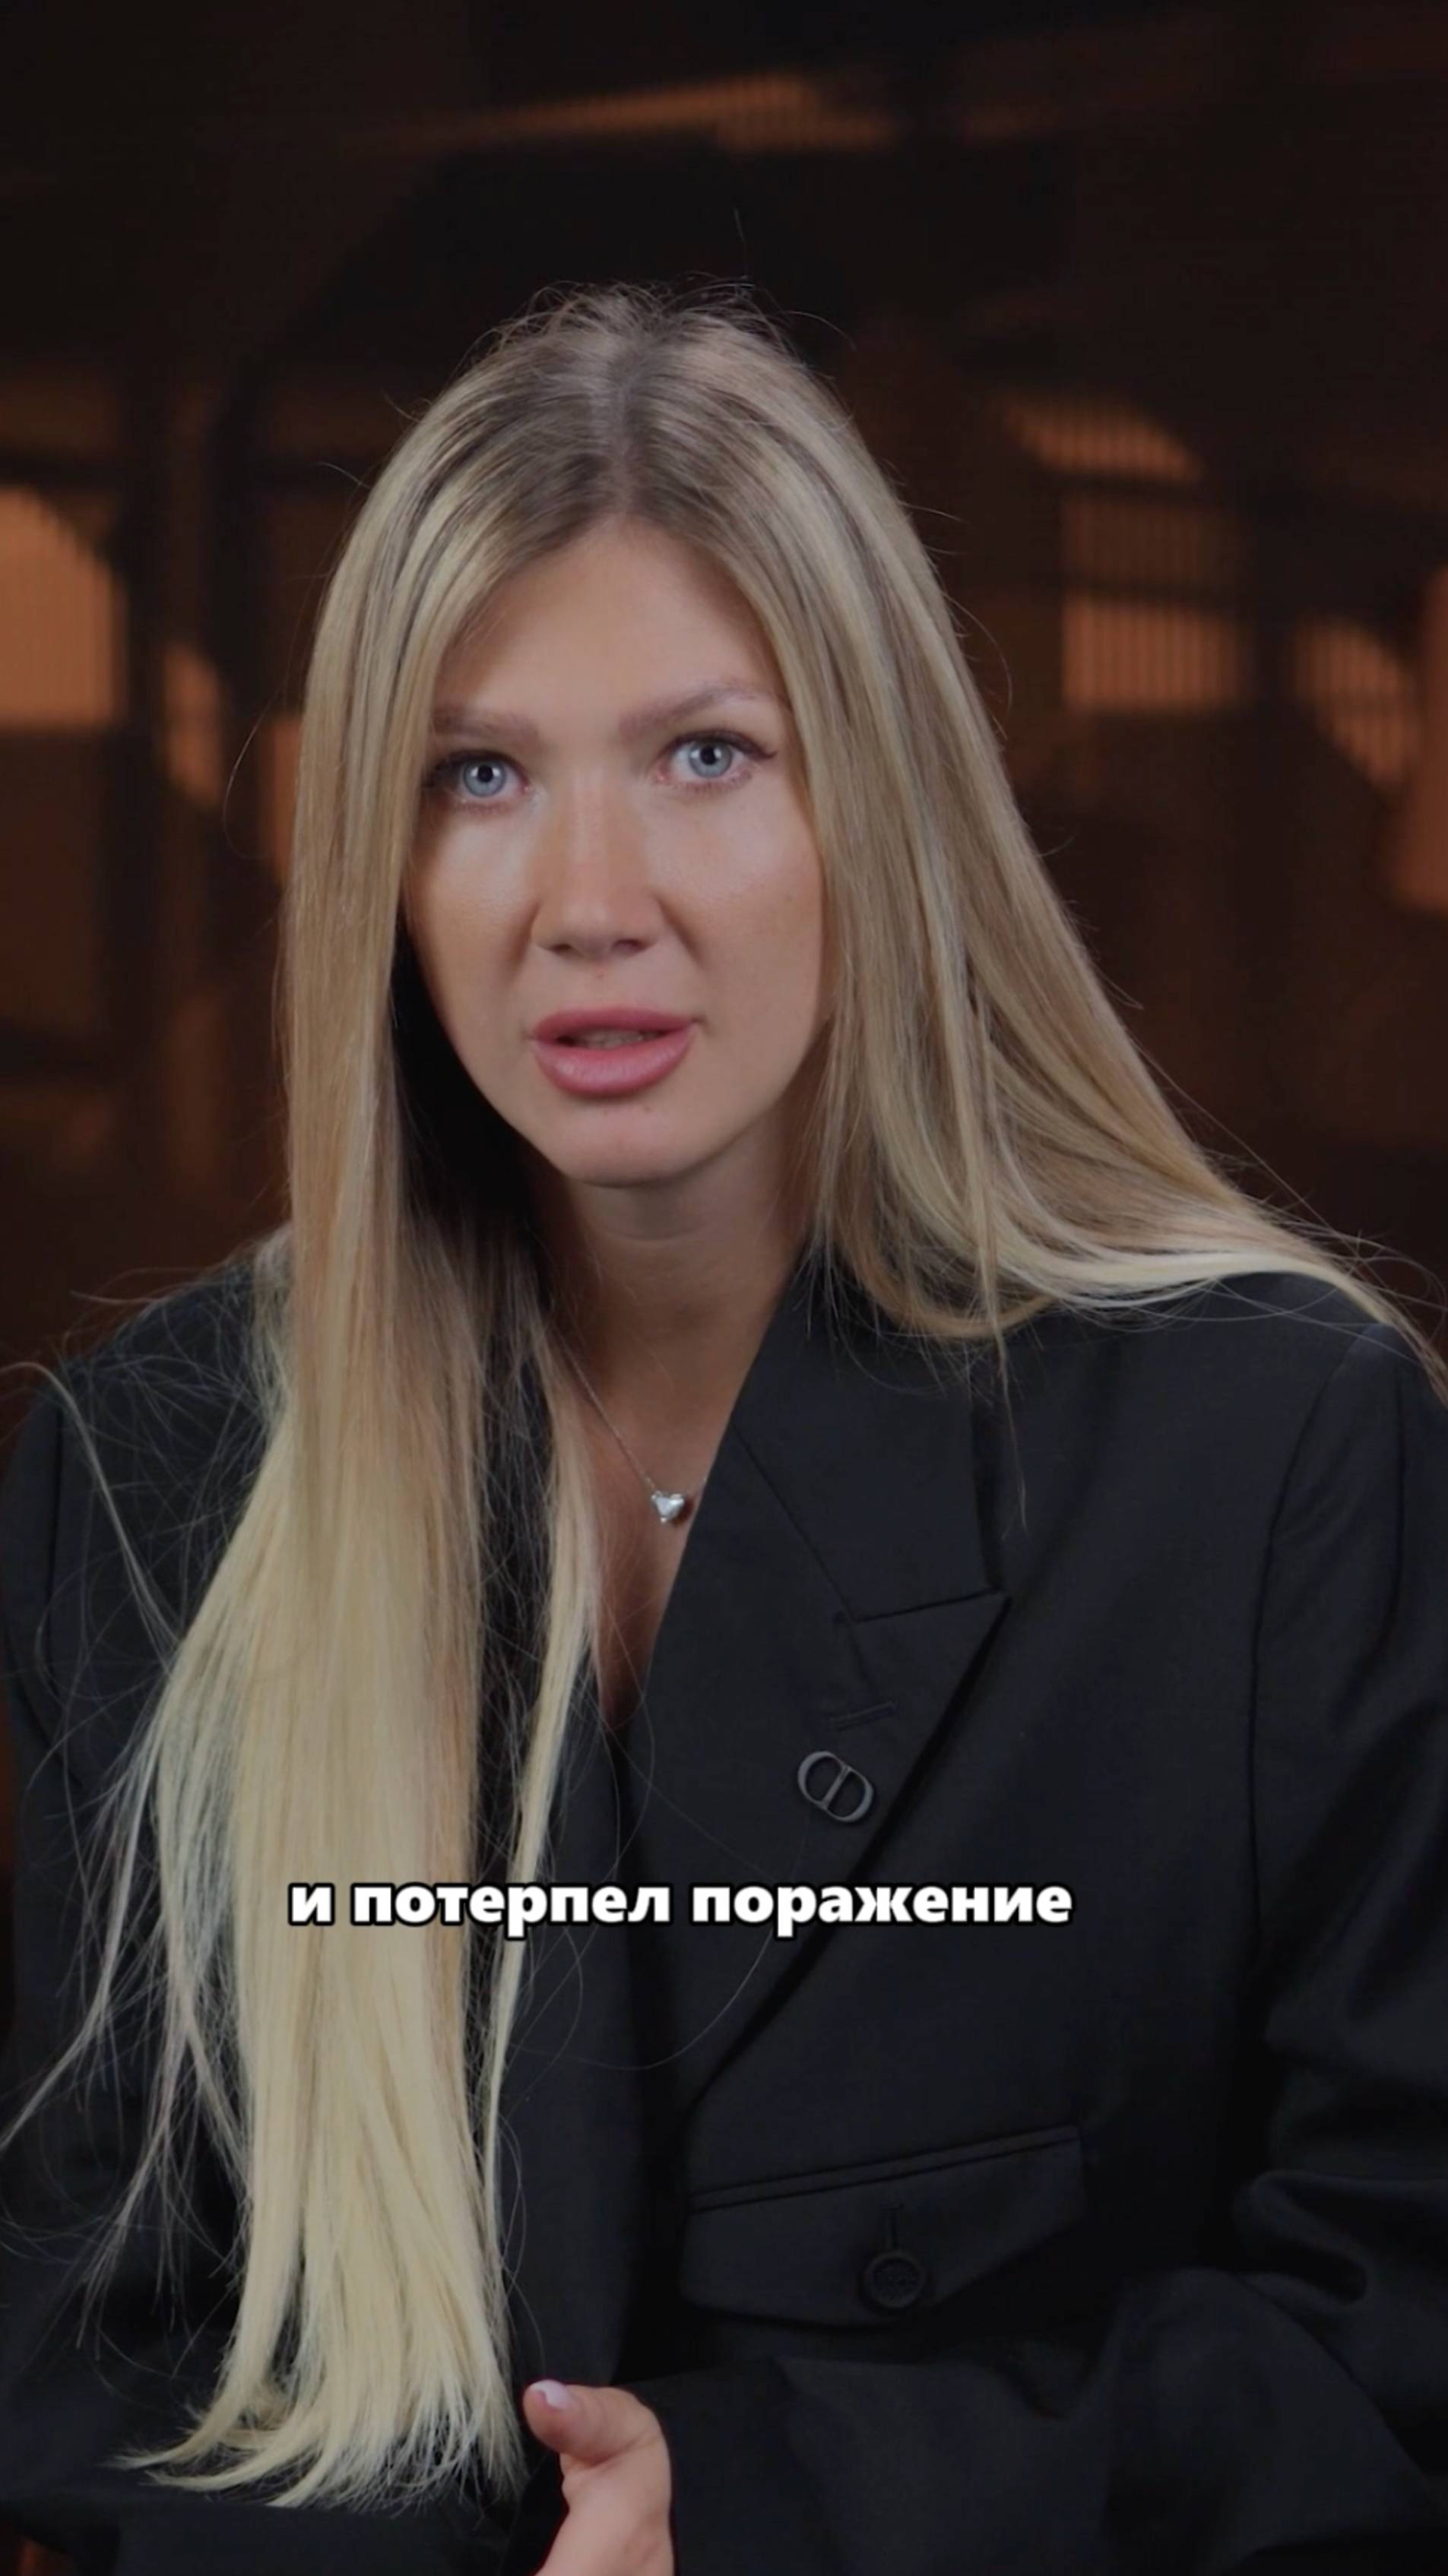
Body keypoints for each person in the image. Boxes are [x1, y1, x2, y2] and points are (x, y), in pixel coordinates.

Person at [1, 277, 1446, 2576]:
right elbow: (93, 2332)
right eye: (479, 776)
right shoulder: (156, 1473)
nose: (592, 907)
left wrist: (773, 2511)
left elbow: (1401, 2336)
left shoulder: (1271, 1454)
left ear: (880, 807)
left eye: (704, 757)